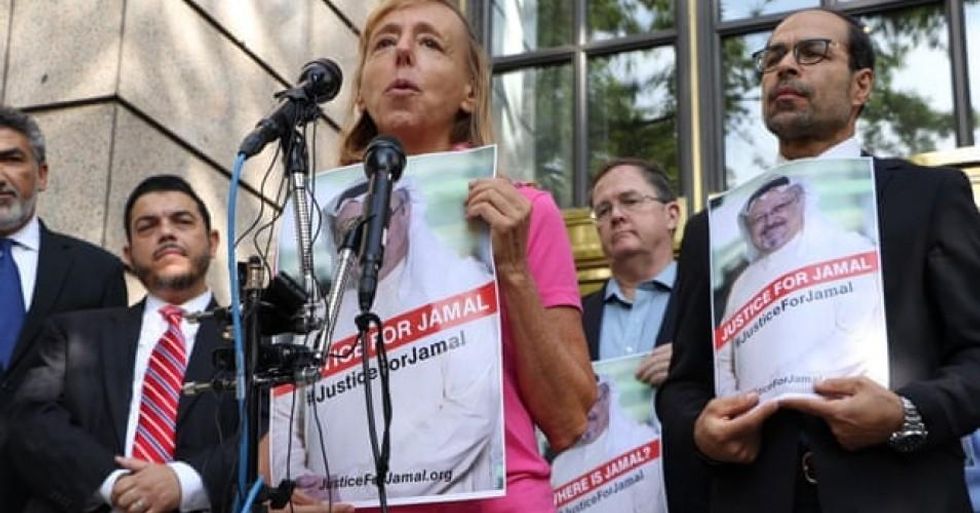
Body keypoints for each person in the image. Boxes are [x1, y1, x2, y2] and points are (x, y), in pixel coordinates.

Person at [657, 8, 980, 513]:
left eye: (812, 53)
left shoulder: (929, 196)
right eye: (772, 58)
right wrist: (701, 431)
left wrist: (906, 414)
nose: (785, 66)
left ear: (861, 85)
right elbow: (682, 386)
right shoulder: (711, 230)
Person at [333, 1, 597, 511]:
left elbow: (569, 421)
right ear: (362, 92)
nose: (403, 51)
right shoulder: (316, 228)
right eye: (384, 43)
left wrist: (513, 271)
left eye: (430, 43)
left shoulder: (524, 212)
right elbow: (285, 422)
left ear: (468, 91)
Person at [8, 175, 240, 513]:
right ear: (128, 255)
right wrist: (113, 484)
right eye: (147, 226)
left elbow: (269, 435)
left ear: (213, 242)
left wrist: (183, 481)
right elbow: (32, 420)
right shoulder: (73, 333)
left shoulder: (254, 341)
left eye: (182, 221)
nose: (166, 232)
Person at [273, 177, 502, 500]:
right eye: (348, 229)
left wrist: (353, 488)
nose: (362, 237)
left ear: (406, 212)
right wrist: (296, 480)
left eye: (374, 220)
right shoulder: (319, 318)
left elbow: (473, 412)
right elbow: (285, 414)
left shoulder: (460, 284)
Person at [0, 105, 127, 511]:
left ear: (42, 175)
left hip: (49, 498)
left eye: (12, 159)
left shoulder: (96, 272)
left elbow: (108, 405)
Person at [714, 174, 886, 399]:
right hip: (757, 421)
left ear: (800, 202)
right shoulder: (742, 284)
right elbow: (722, 358)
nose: (770, 220)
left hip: (841, 407)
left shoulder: (847, 246)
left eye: (778, 208)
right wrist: (736, 402)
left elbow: (855, 333)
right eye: (759, 218)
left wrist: (785, 381)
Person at [582, 158, 679, 386]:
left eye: (630, 201)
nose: (616, 216)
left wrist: (697, 363)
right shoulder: (576, 318)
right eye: (603, 210)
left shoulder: (714, 300)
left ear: (671, 215)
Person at [550, 377, 665, 513]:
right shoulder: (559, 466)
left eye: (590, 401)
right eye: (574, 403)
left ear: (607, 398)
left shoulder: (641, 441)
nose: (584, 412)